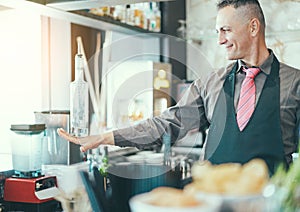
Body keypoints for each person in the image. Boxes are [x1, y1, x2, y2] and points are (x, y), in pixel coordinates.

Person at [58, 0, 300, 174]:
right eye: (217, 32)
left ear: (253, 27)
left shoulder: (295, 83)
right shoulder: (210, 83)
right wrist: (107, 137)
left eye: (226, 30)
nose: (220, 40)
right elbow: (167, 124)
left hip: (273, 204)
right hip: (213, 201)